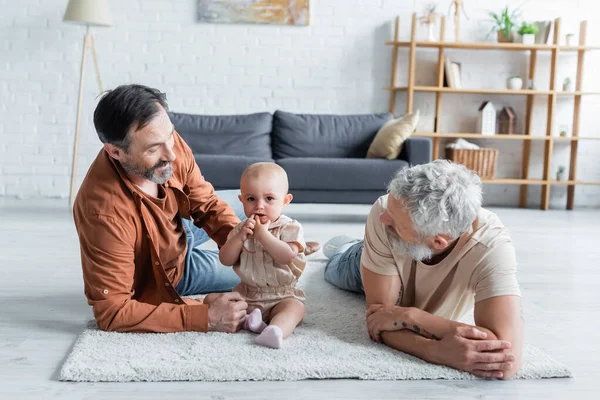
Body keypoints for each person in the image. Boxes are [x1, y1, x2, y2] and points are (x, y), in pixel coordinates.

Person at [72, 84, 318, 334]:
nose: (172, 153)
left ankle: (294, 242)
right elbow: (112, 313)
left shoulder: (168, 143)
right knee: (256, 282)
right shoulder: (103, 213)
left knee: (255, 203)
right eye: (153, 148)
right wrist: (205, 316)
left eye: (170, 136)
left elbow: (207, 204)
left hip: (178, 228)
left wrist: (252, 243)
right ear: (115, 151)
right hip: (165, 273)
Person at [322, 160, 524, 379]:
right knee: (334, 266)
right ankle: (345, 247)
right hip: (368, 260)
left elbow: (505, 359)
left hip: (407, 250)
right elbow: (378, 319)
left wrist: (413, 317)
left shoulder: (491, 246)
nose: (384, 218)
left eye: (396, 222)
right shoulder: (385, 213)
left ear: (438, 242)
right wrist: (435, 351)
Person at [219, 163, 306, 349]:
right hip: (248, 295)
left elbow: (288, 256)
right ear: (241, 200)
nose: (259, 206)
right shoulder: (240, 229)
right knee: (212, 300)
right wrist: (240, 238)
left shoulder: (290, 227)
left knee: (296, 308)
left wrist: (263, 235)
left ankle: (275, 330)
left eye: (269, 199)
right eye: (251, 199)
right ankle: (250, 319)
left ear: (285, 201)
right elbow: (225, 260)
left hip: (282, 295)